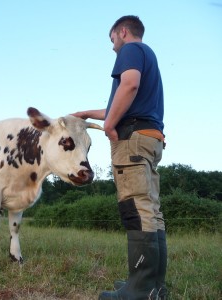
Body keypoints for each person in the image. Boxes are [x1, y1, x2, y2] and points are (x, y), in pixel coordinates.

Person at [72, 15, 168, 299]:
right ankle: (153, 287)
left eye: (111, 38)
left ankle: (139, 291)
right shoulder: (147, 54)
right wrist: (89, 113)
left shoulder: (130, 50)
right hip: (150, 138)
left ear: (122, 32)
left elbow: (129, 86)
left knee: (136, 211)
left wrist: (110, 125)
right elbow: (120, 102)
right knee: (151, 211)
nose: (112, 44)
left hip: (132, 139)